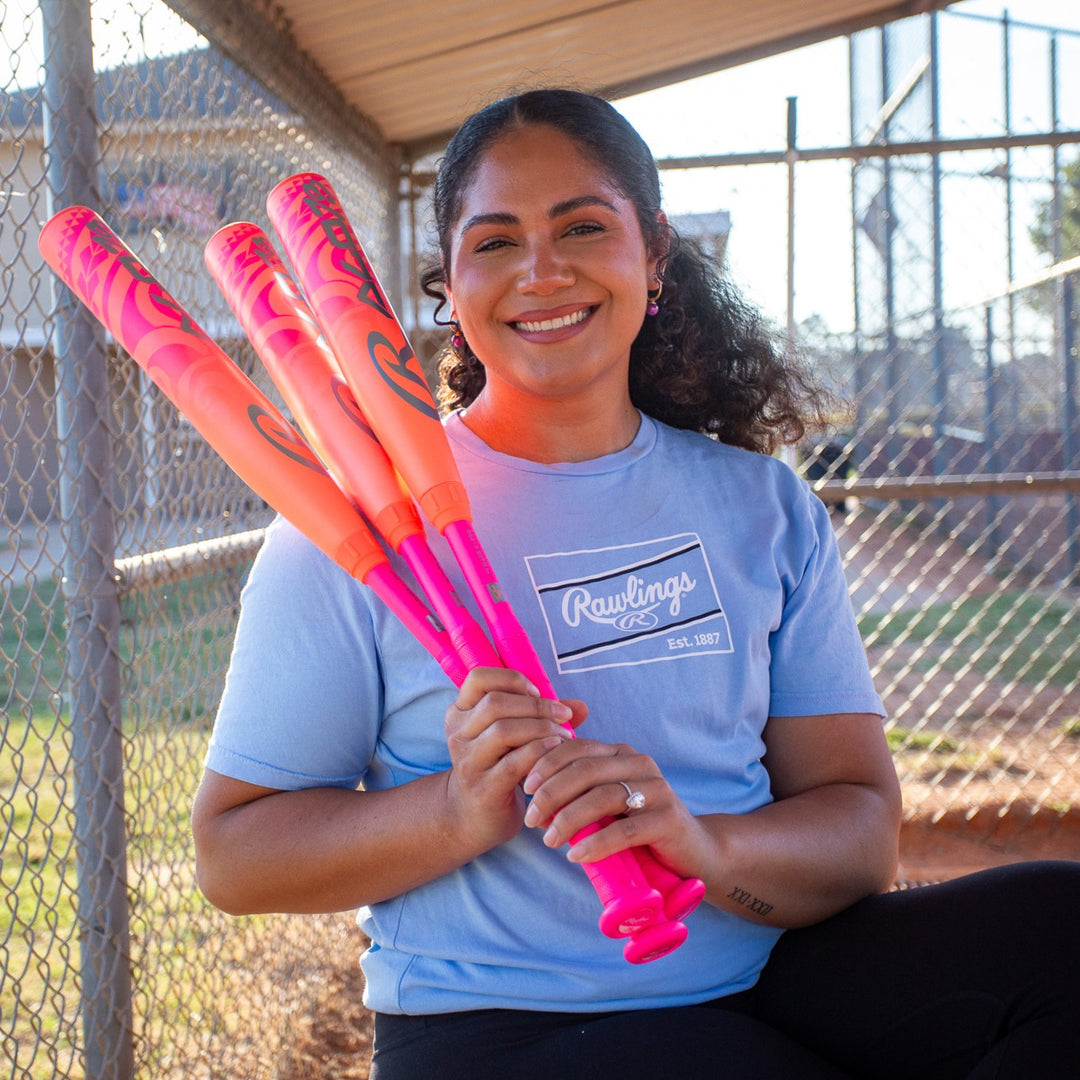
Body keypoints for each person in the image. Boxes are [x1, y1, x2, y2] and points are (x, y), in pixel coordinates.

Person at [192, 89, 1080, 1078]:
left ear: (652, 255)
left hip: (773, 976)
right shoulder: (355, 531)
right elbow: (234, 854)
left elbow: (859, 828)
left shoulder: (762, 507)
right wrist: (457, 810)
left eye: (583, 226)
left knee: (1060, 928)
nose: (542, 270)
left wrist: (705, 846)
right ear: (448, 283)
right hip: (503, 1028)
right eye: (495, 242)